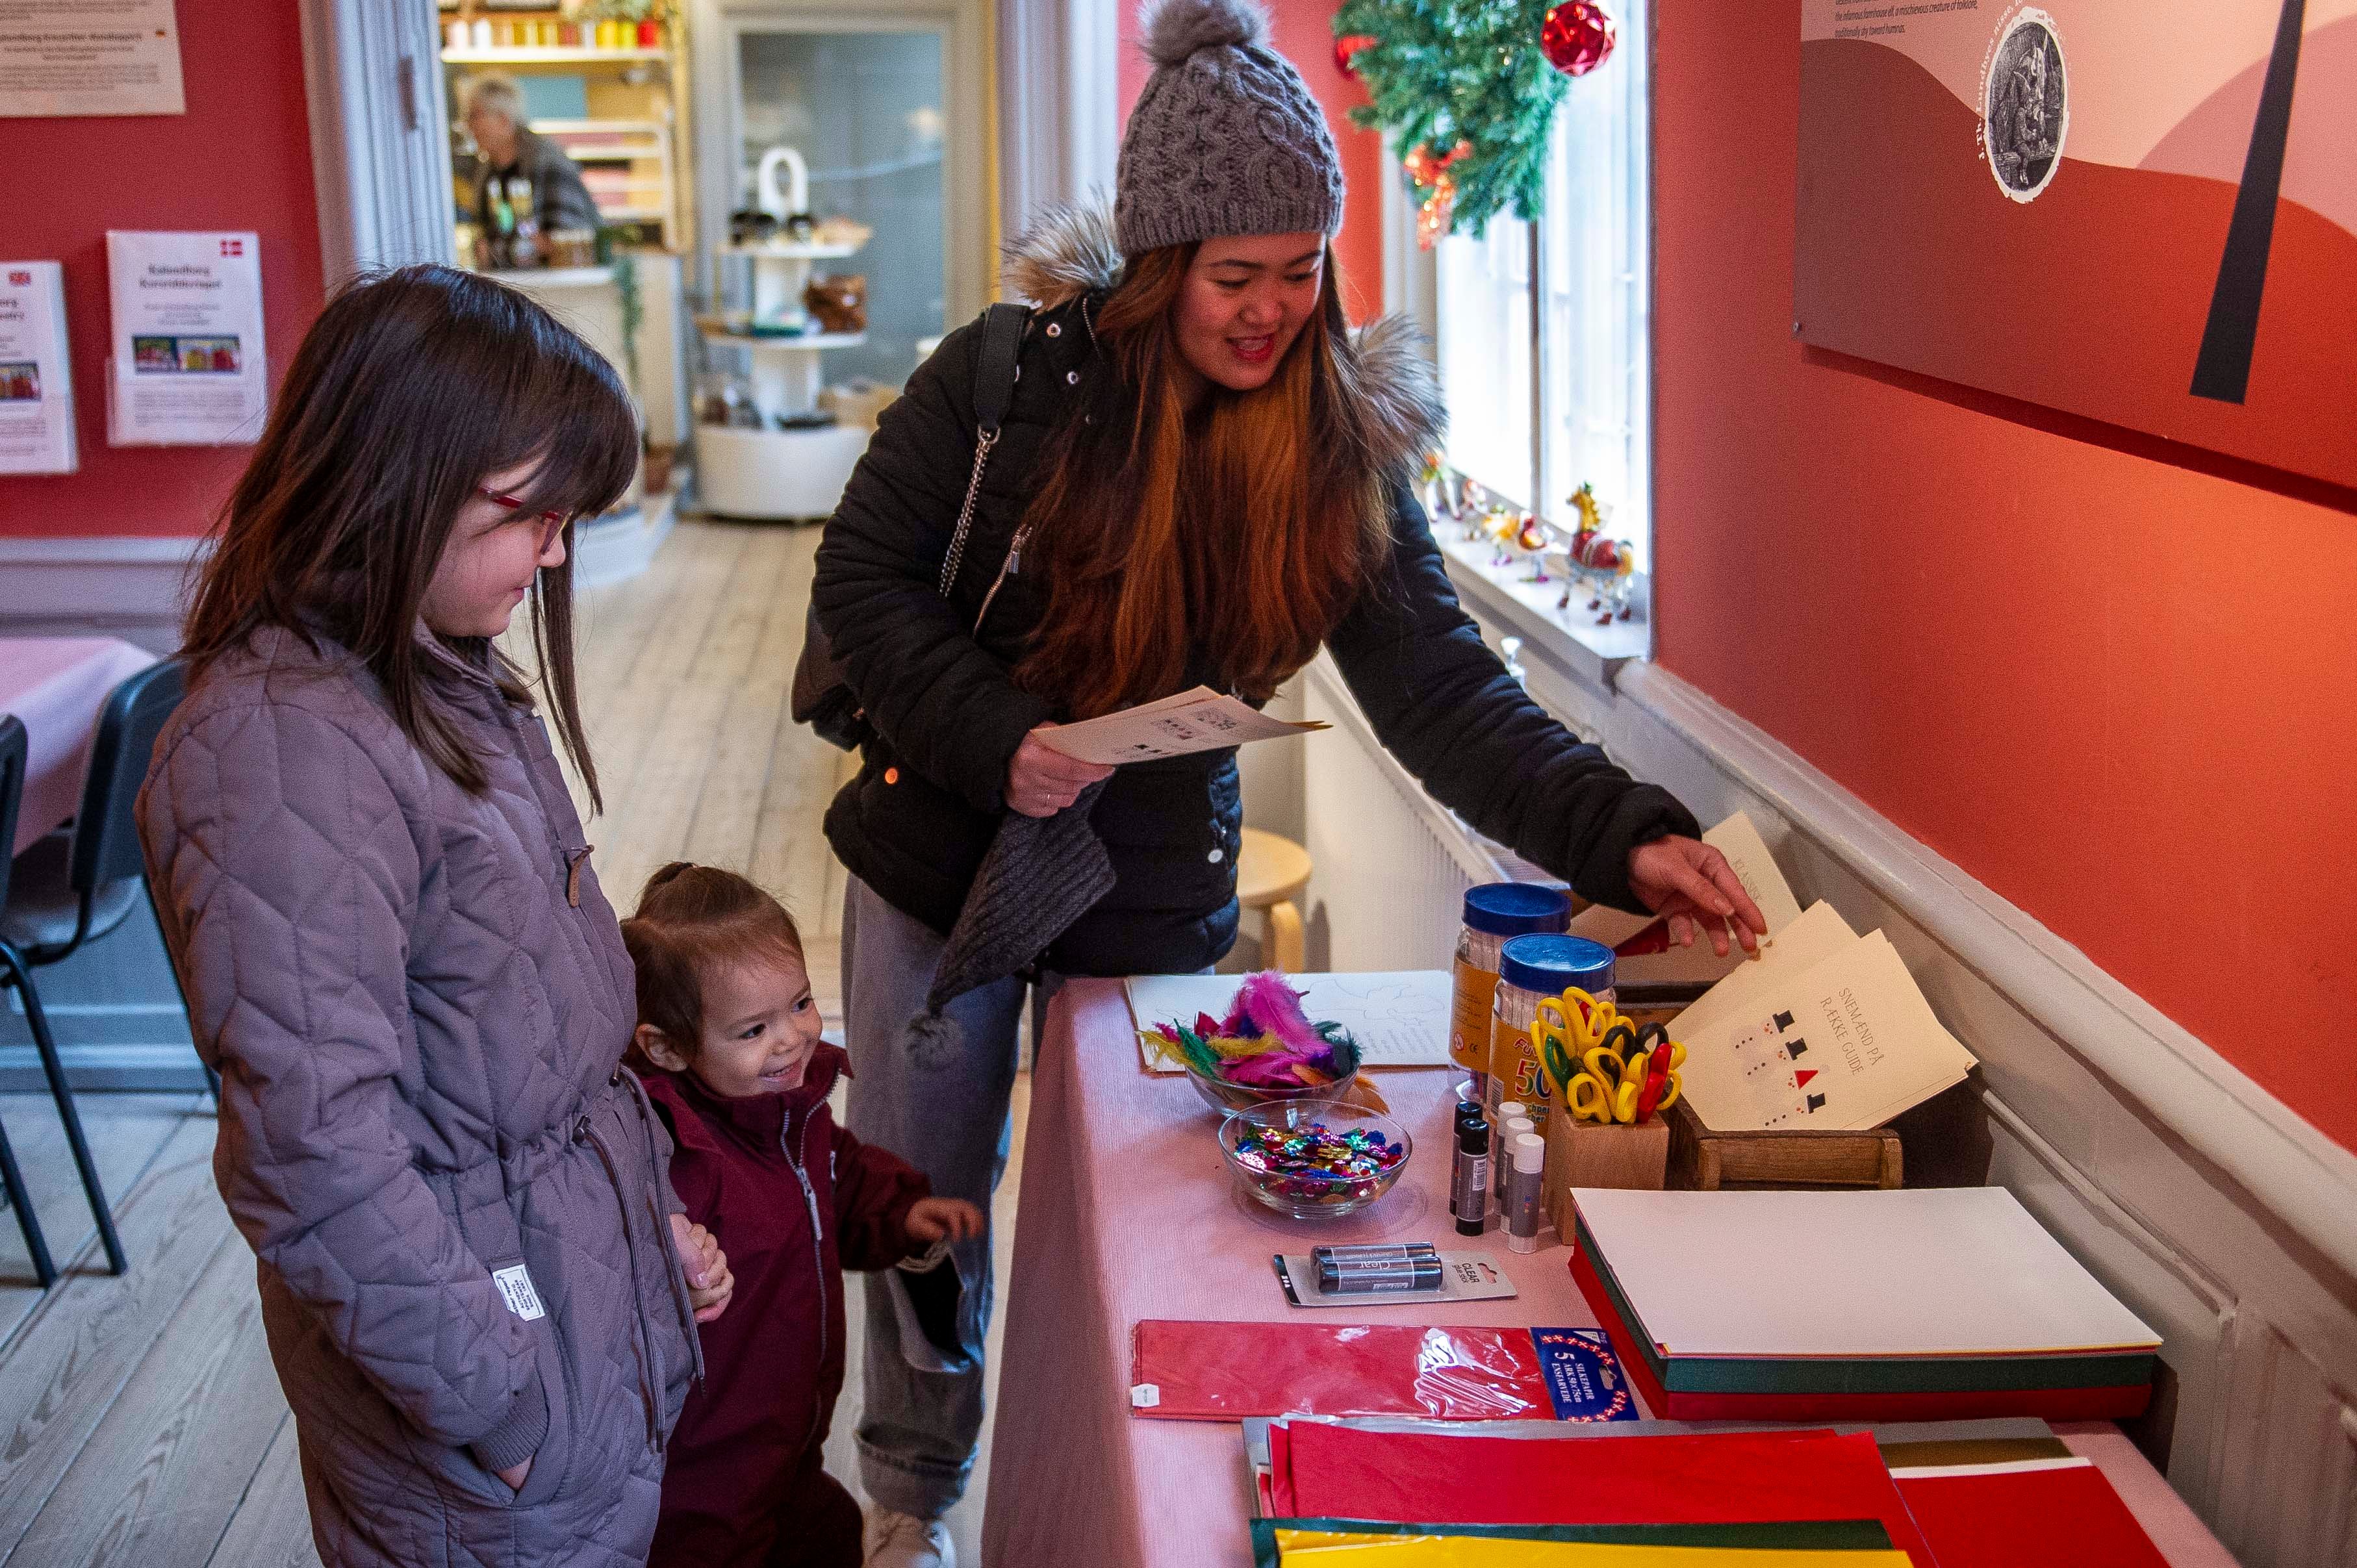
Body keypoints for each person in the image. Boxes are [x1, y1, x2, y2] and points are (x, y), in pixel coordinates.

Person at [810, 5, 1766, 1563]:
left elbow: (1445, 691)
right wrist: (1002, 736)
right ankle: (911, 1497)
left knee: (1138, 1201)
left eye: (1301, 268)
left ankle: (1107, 1470)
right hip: (942, 853)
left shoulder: (1335, 444)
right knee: (931, 1201)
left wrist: (1629, 833)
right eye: (1231, 274)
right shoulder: (1009, 382)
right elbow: (864, 575)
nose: (1268, 312)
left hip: (1144, 892)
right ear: (1153, 266)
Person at [138, 264, 733, 1568]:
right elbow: (313, 1150)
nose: (561, 549)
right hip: (486, 1399)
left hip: (558, 1321)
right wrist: (497, 1397)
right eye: (533, 512)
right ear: (398, 480)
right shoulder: (275, 751)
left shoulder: (436, 673)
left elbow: (498, 1026)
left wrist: (641, 1246)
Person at [622, 864, 986, 1568]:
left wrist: (899, 1208)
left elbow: (835, 1176)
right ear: (667, 1045)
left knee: (826, 1534)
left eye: (800, 1003)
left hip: (791, 1438)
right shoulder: (669, 1158)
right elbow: (620, 1275)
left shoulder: (791, 1112)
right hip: (703, 1470)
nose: (790, 1039)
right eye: (753, 1028)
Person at [463, 74, 604, 268]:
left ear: (504, 120)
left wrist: (535, 244)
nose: (469, 126)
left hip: (556, 287)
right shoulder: (487, 173)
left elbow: (572, 240)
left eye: (475, 116)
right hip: (512, 284)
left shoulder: (549, 163)